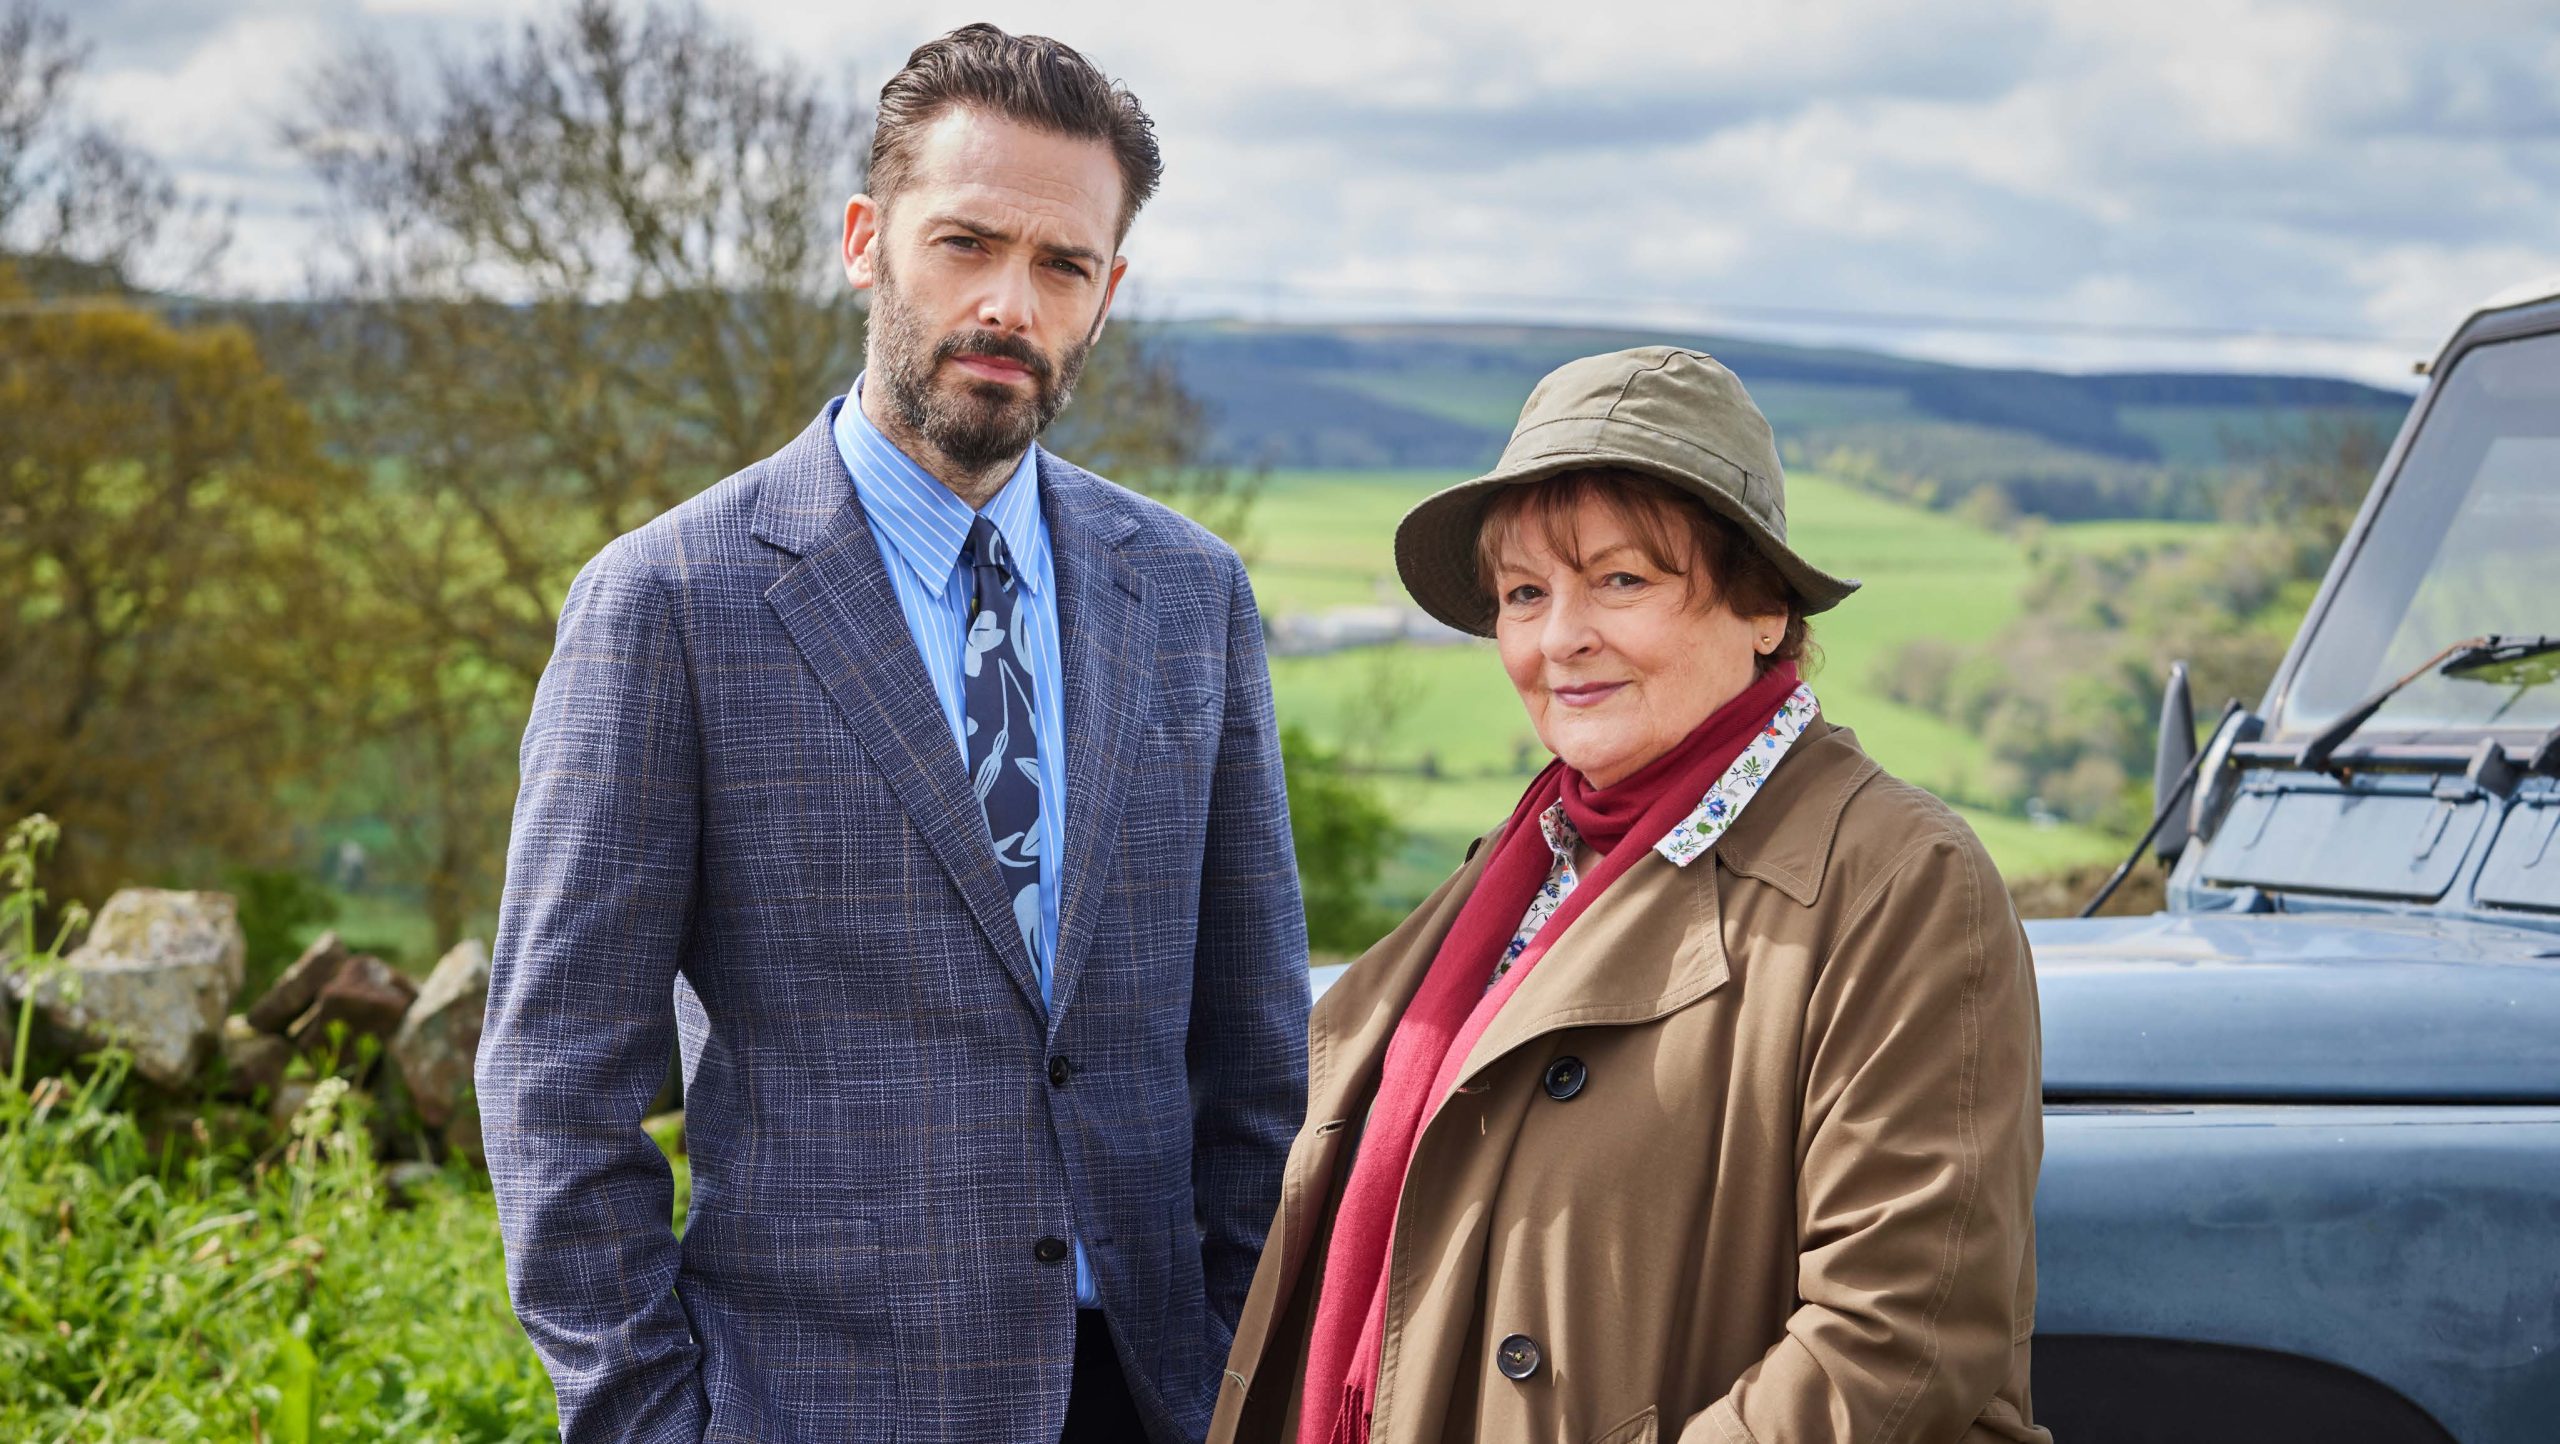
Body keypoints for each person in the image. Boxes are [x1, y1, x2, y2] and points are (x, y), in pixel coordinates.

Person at [477, 25, 1308, 1444]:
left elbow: (1254, 1059)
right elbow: (558, 1083)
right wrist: (651, 1423)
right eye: (964, 242)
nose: (1008, 302)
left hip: (1159, 1394)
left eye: (1062, 266)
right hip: (814, 1407)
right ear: (867, 240)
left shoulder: (1189, 596)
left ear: (1109, 294)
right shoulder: (667, 604)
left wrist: (1245, 1372)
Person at [1210, 347, 2049, 1444]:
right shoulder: (1515, 871)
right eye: (1524, 593)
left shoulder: (1901, 879)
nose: (1561, 638)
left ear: (1761, 607)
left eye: (1622, 580)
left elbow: (1900, 1335)